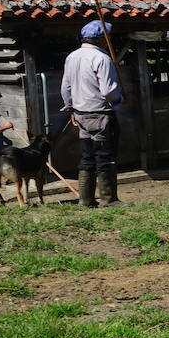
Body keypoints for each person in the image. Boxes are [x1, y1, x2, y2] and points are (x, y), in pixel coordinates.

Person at [61, 20, 127, 208]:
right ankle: (108, 199)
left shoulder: (72, 57)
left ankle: (85, 200)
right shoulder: (102, 59)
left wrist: (71, 108)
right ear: (103, 39)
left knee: (87, 156)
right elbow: (108, 91)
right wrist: (120, 99)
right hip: (101, 114)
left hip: (81, 114)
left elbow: (65, 87)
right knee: (105, 155)